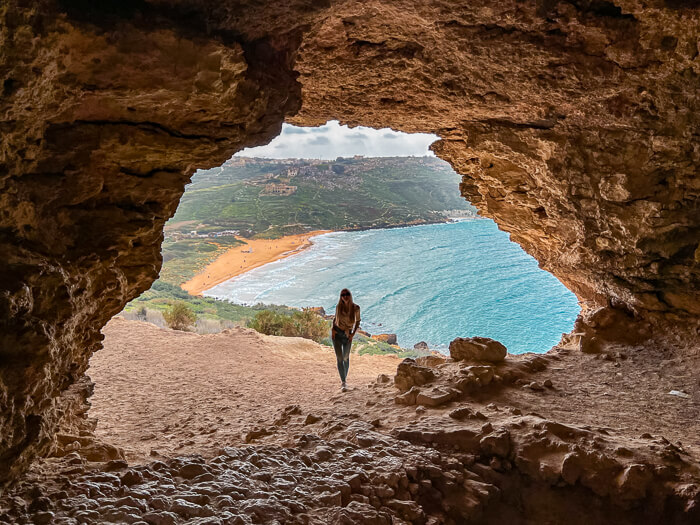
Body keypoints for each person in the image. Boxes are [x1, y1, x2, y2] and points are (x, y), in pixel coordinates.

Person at [331, 288, 361, 392]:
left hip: (348, 335)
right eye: (343, 295)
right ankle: (343, 382)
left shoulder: (356, 308)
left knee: (345, 358)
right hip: (337, 334)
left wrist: (353, 334)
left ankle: (345, 378)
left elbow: (358, 321)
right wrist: (332, 329)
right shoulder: (338, 306)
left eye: (347, 294)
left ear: (350, 295)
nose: (345, 296)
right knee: (339, 359)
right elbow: (335, 319)